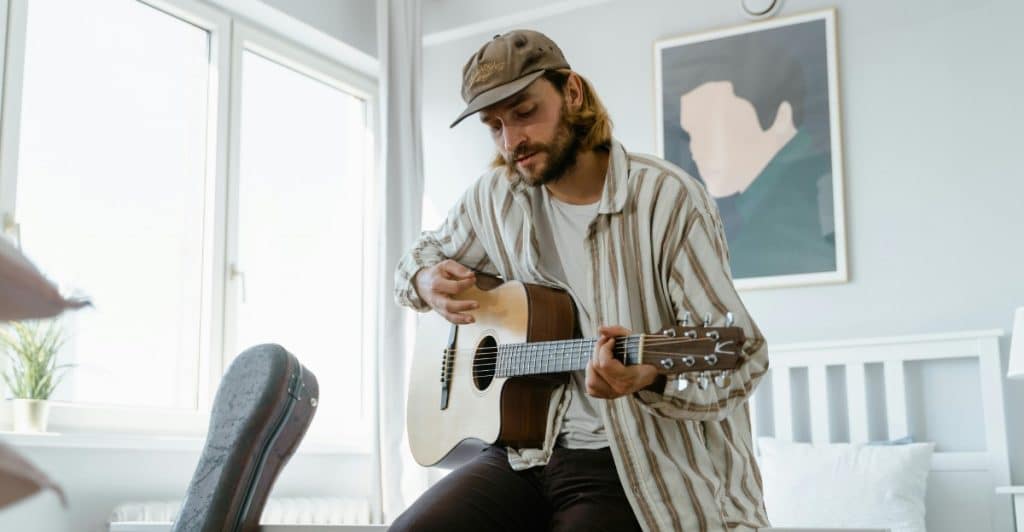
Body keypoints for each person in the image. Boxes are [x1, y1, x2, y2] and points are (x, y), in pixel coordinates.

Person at [392, 29, 770, 532]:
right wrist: (423, 280)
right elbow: (417, 259)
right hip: (524, 453)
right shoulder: (494, 198)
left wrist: (652, 375)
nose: (511, 141)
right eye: (494, 126)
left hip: (629, 458)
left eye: (525, 112)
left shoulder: (667, 200)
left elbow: (742, 356)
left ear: (572, 92)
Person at [668, 38, 836, 278]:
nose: (697, 150)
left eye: (714, 129)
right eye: (692, 133)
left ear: (781, 118)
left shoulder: (795, 208)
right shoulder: (757, 205)